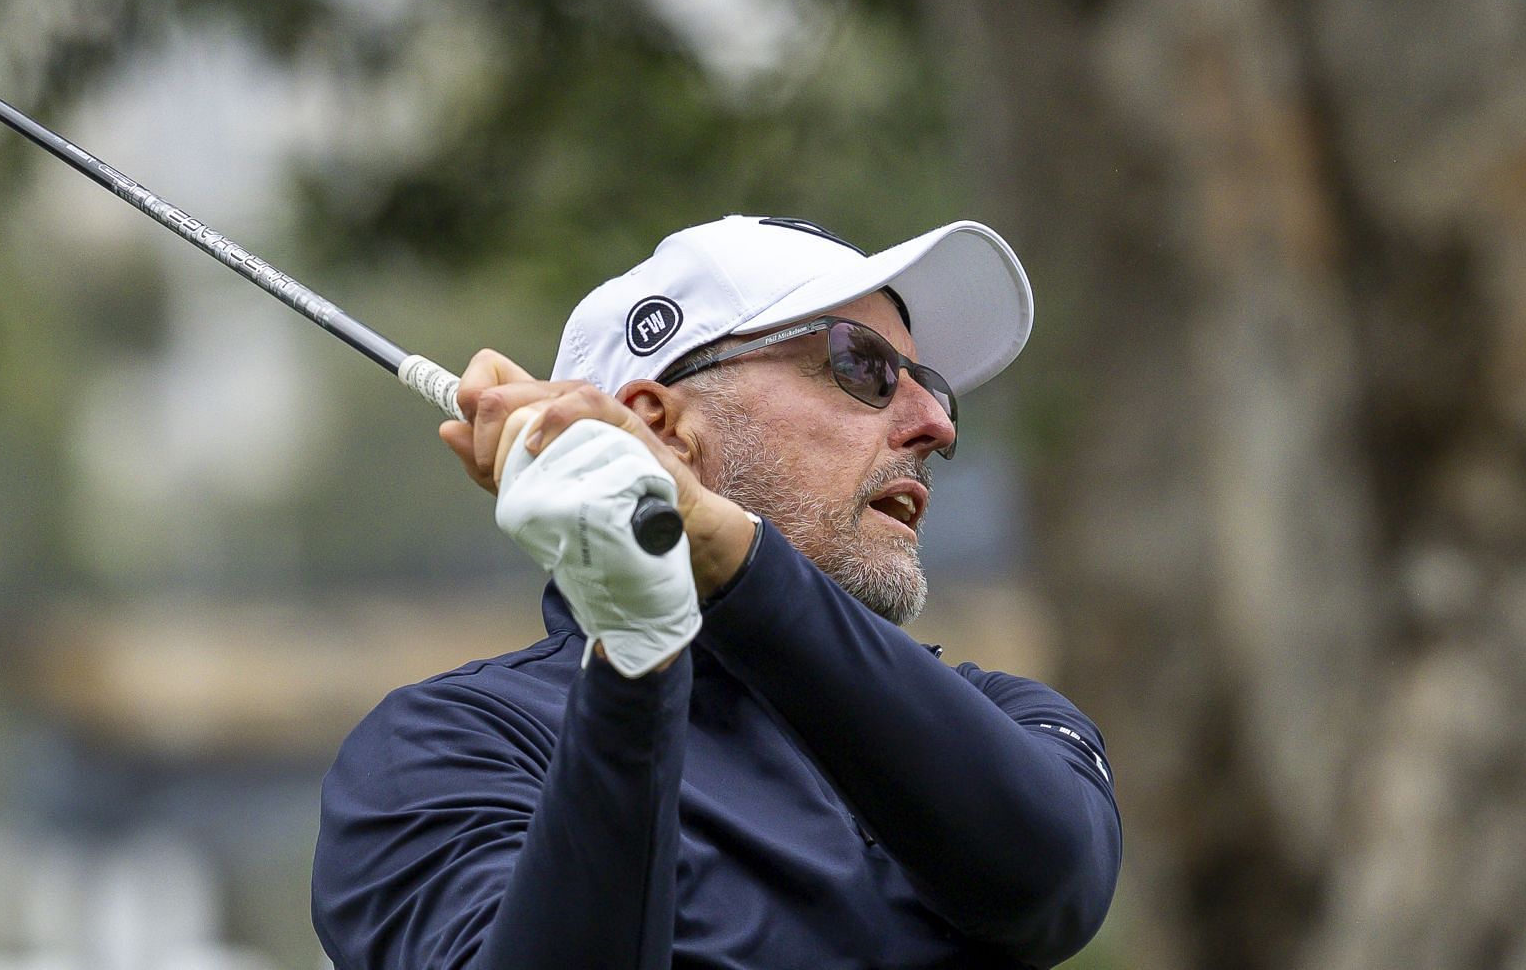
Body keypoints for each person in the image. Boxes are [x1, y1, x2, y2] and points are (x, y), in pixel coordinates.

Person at [312, 216, 1122, 969]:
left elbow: (1046, 883)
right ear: (659, 426)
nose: (935, 426)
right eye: (863, 366)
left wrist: (728, 551)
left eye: (932, 386)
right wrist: (636, 651)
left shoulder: (1003, 714)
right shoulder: (448, 743)